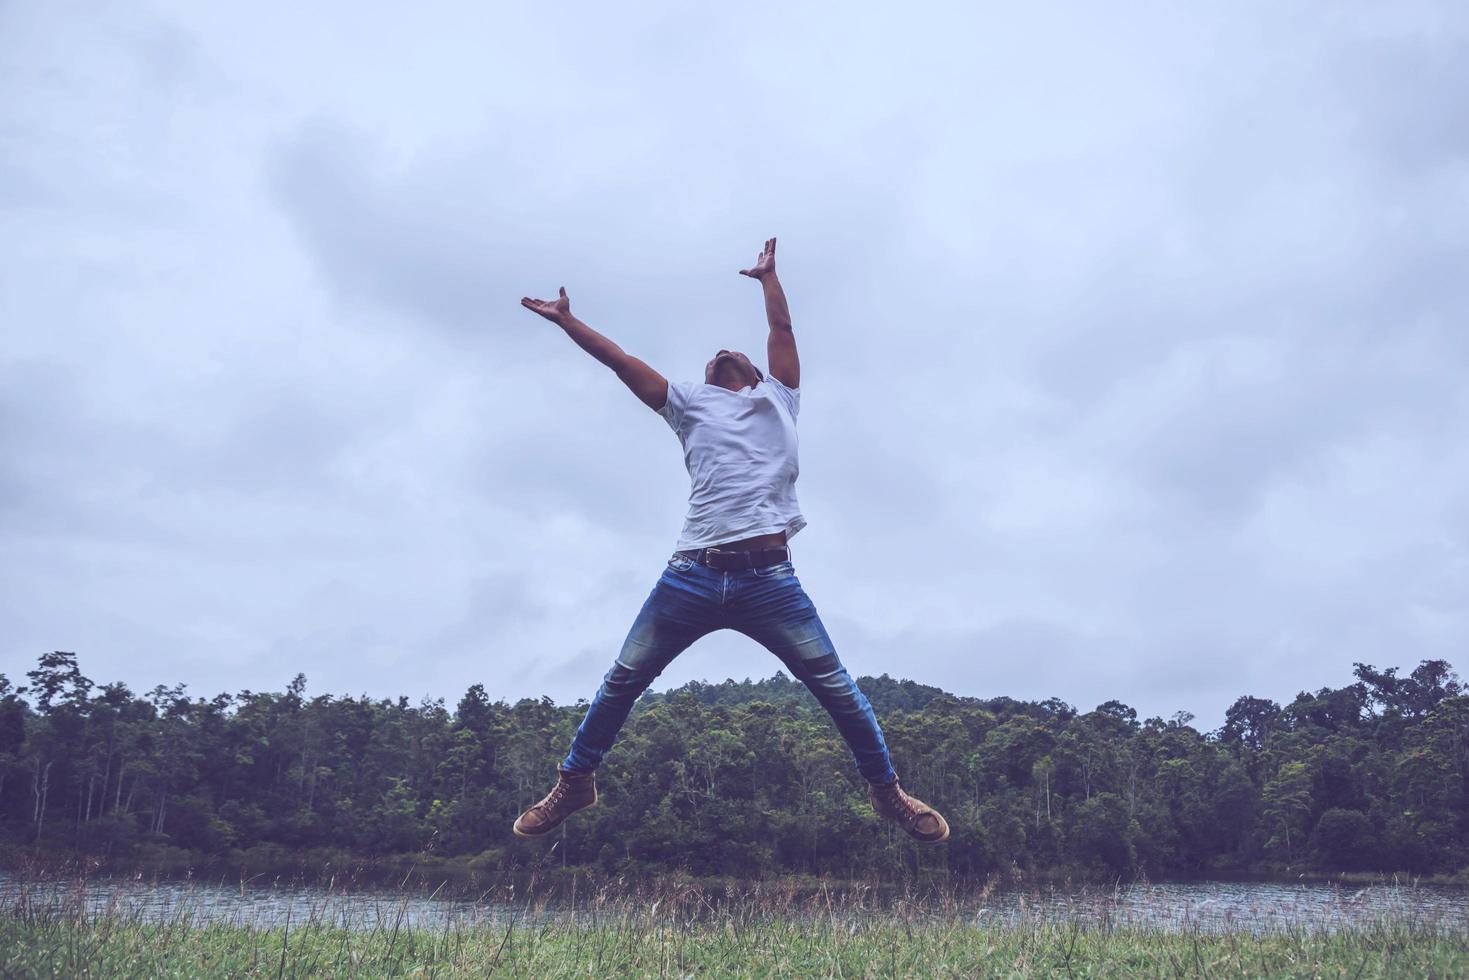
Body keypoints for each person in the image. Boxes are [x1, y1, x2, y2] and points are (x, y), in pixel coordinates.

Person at [514, 237, 948, 845]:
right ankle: (575, 781)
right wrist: (568, 322)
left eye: (733, 352)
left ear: (759, 376)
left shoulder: (781, 398)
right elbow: (618, 360)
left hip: (769, 580)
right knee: (622, 679)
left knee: (836, 688)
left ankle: (887, 792)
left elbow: (781, 326)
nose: (720, 353)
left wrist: (769, 278)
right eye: (712, 355)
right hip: (690, 575)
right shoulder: (688, 404)